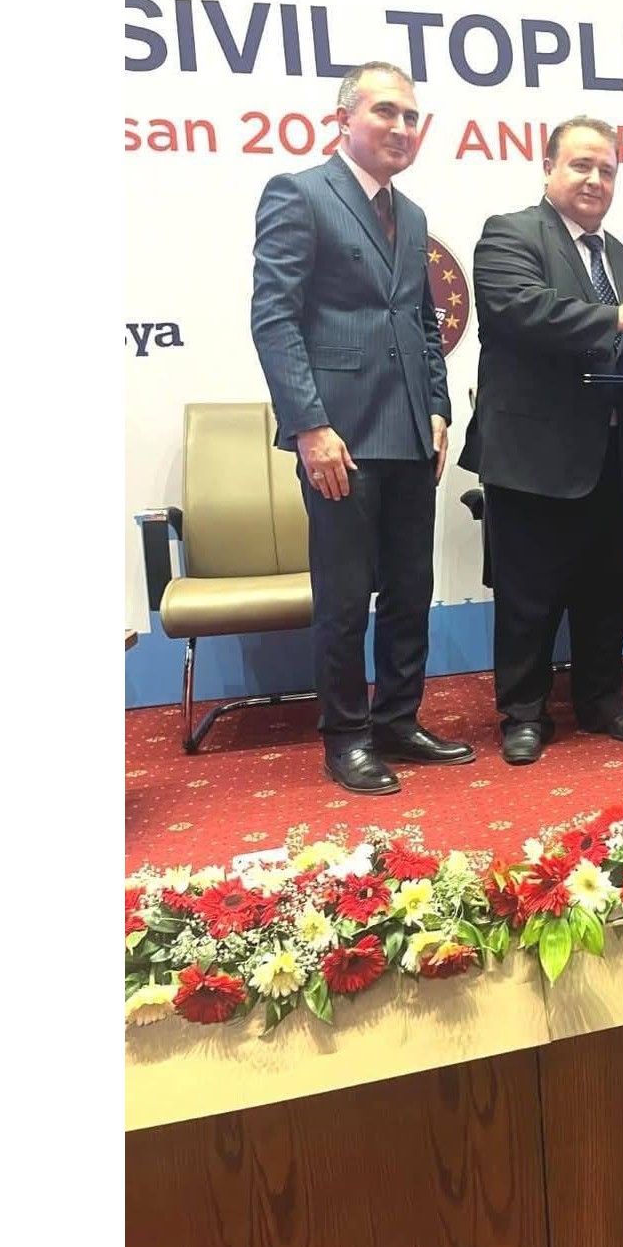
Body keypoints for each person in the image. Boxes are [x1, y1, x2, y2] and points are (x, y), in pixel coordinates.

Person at [249, 62, 471, 795]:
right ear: (343, 119)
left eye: (411, 116)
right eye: (385, 112)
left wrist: (436, 409)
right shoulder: (299, 193)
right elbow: (274, 318)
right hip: (339, 437)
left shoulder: (412, 215)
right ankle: (345, 737)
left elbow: (421, 322)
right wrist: (309, 426)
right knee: (345, 600)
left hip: (409, 432)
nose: (401, 127)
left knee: (410, 591)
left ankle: (398, 720)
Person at [460, 116, 623, 765]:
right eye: (581, 165)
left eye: (607, 170)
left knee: (607, 591)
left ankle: (601, 698)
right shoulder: (509, 235)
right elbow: (522, 312)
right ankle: (523, 713)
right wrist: (618, 314)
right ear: (548, 169)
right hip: (532, 457)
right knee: (527, 597)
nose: (595, 180)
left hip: (610, 457)